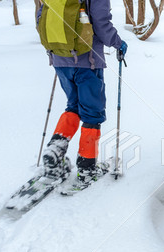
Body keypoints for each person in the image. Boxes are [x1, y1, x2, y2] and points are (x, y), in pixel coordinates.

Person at [37, 0, 128, 187]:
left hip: (60, 59)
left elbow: (41, 17)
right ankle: (87, 167)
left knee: (74, 105)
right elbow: (101, 22)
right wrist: (117, 43)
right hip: (88, 60)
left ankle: (55, 149)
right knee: (92, 112)